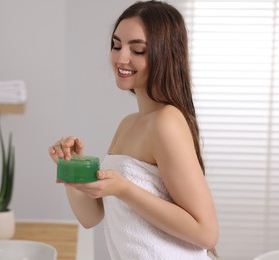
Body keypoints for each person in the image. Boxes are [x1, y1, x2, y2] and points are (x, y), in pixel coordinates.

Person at [48, 1, 218, 259]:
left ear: (165, 55)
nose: (120, 57)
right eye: (116, 45)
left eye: (137, 50)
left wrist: (124, 189)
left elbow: (206, 233)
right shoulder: (128, 123)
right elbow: (91, 217)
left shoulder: (166, 122)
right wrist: (73, 170)